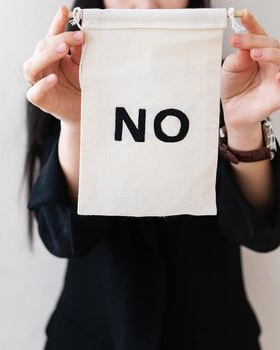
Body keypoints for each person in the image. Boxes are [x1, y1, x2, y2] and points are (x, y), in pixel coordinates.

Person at [22, 0, 280, 349]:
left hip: (217, 335)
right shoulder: (63, 76)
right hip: (94, 334)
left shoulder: (231, 79)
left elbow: (259, 232)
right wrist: (77, 123)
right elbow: (64, 237)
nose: (146, 5)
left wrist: (243, 125)